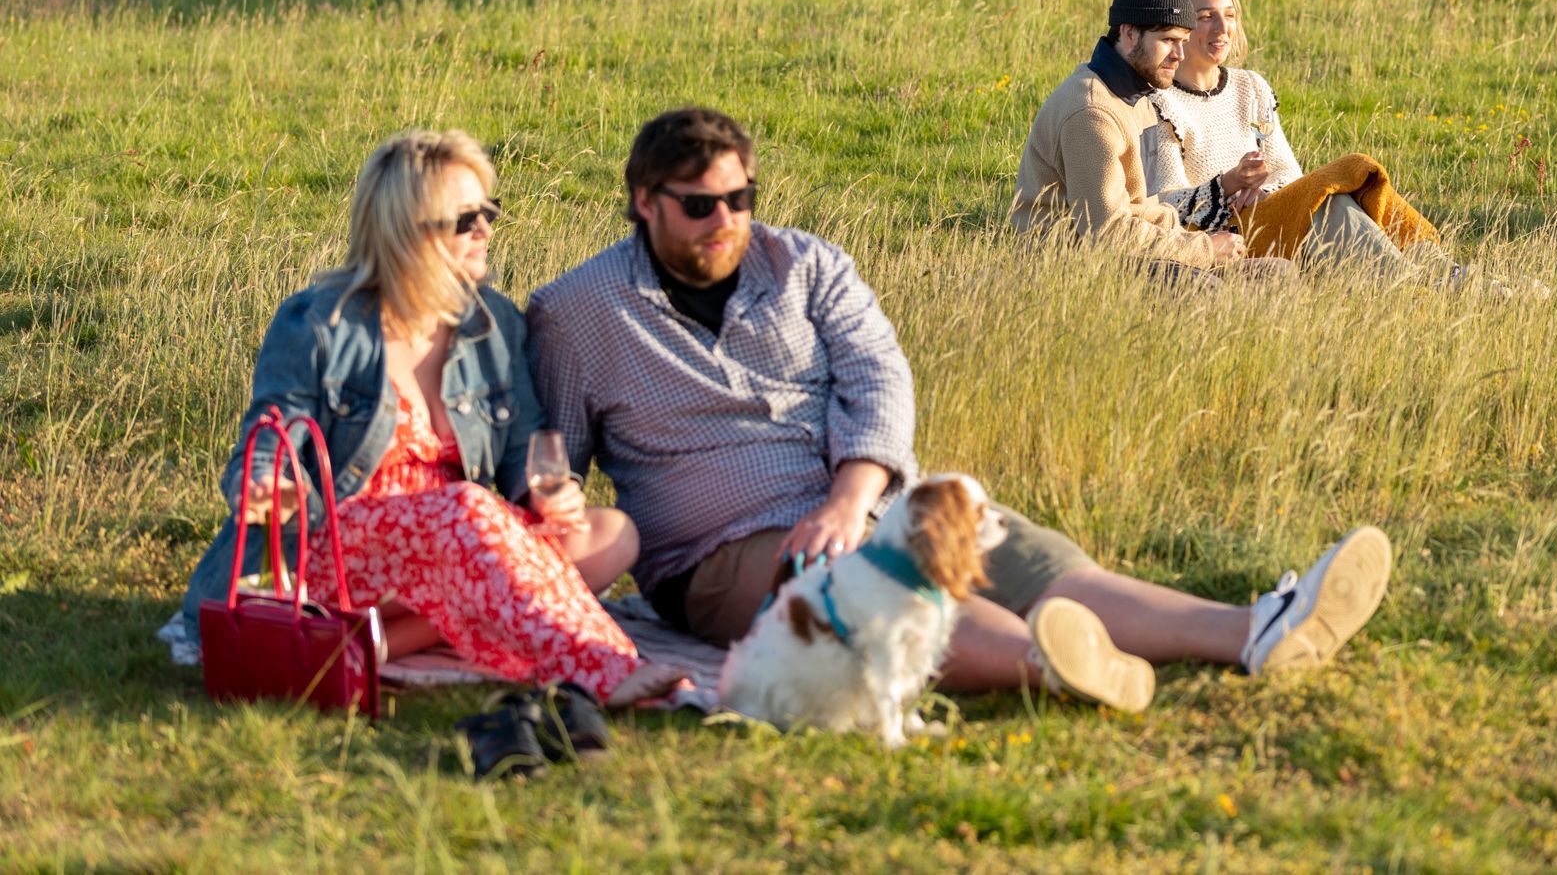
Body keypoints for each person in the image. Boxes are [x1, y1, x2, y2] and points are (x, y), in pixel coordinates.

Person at [528, 106, 1393, 713]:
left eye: (741, 199)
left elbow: (879, 377)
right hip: (720, 553)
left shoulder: (806, 264)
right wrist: (561, 507)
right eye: (700, 206)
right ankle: (1051, 664)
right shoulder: (579, 311)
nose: (727, 221)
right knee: (887, 587)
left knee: (1008, 549)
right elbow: (551, 457)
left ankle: (1254, 627)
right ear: (645, 203)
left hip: (855, 498)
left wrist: (848, 495)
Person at [180, 130, 685, 708]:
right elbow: (272, 429)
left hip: (455, 544)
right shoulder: (320, 323)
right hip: (337, 551)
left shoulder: (492, 323)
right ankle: (603, 668)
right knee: (466, 510)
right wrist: (272, 486)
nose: (486, 231)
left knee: (609, 535)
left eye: (487, 212)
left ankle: (369, 647)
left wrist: (549, 496)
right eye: (466, 219)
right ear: (409, 230)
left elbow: (524, 445)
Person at [1146, 0, 1465, 282]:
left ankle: (1442, 272)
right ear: (1180, 28)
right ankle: (1411, 286)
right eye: (1206, 16)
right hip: (1225, 237)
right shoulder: (1160, 102)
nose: (1222, 27)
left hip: (1273, 215)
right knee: (1337, 183)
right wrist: (1227, 187)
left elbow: (1288, 174)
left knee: (1353, 183)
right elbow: (1165, 203)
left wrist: (1264, 192)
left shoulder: (1251, 87)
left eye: (1229, 15)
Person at [1010, 0, 1263, 274]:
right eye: (1168, 40)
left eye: (1183, 41)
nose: (1179, 55)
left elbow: (1144, 207)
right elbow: (1106, 233)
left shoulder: (1139, 97)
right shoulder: (1092, 111)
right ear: (1130, 34)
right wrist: (1204, 249)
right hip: (1071, 269)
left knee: (1274, 272)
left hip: (1136, 252)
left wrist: (1197, 239)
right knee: (1205, 290)